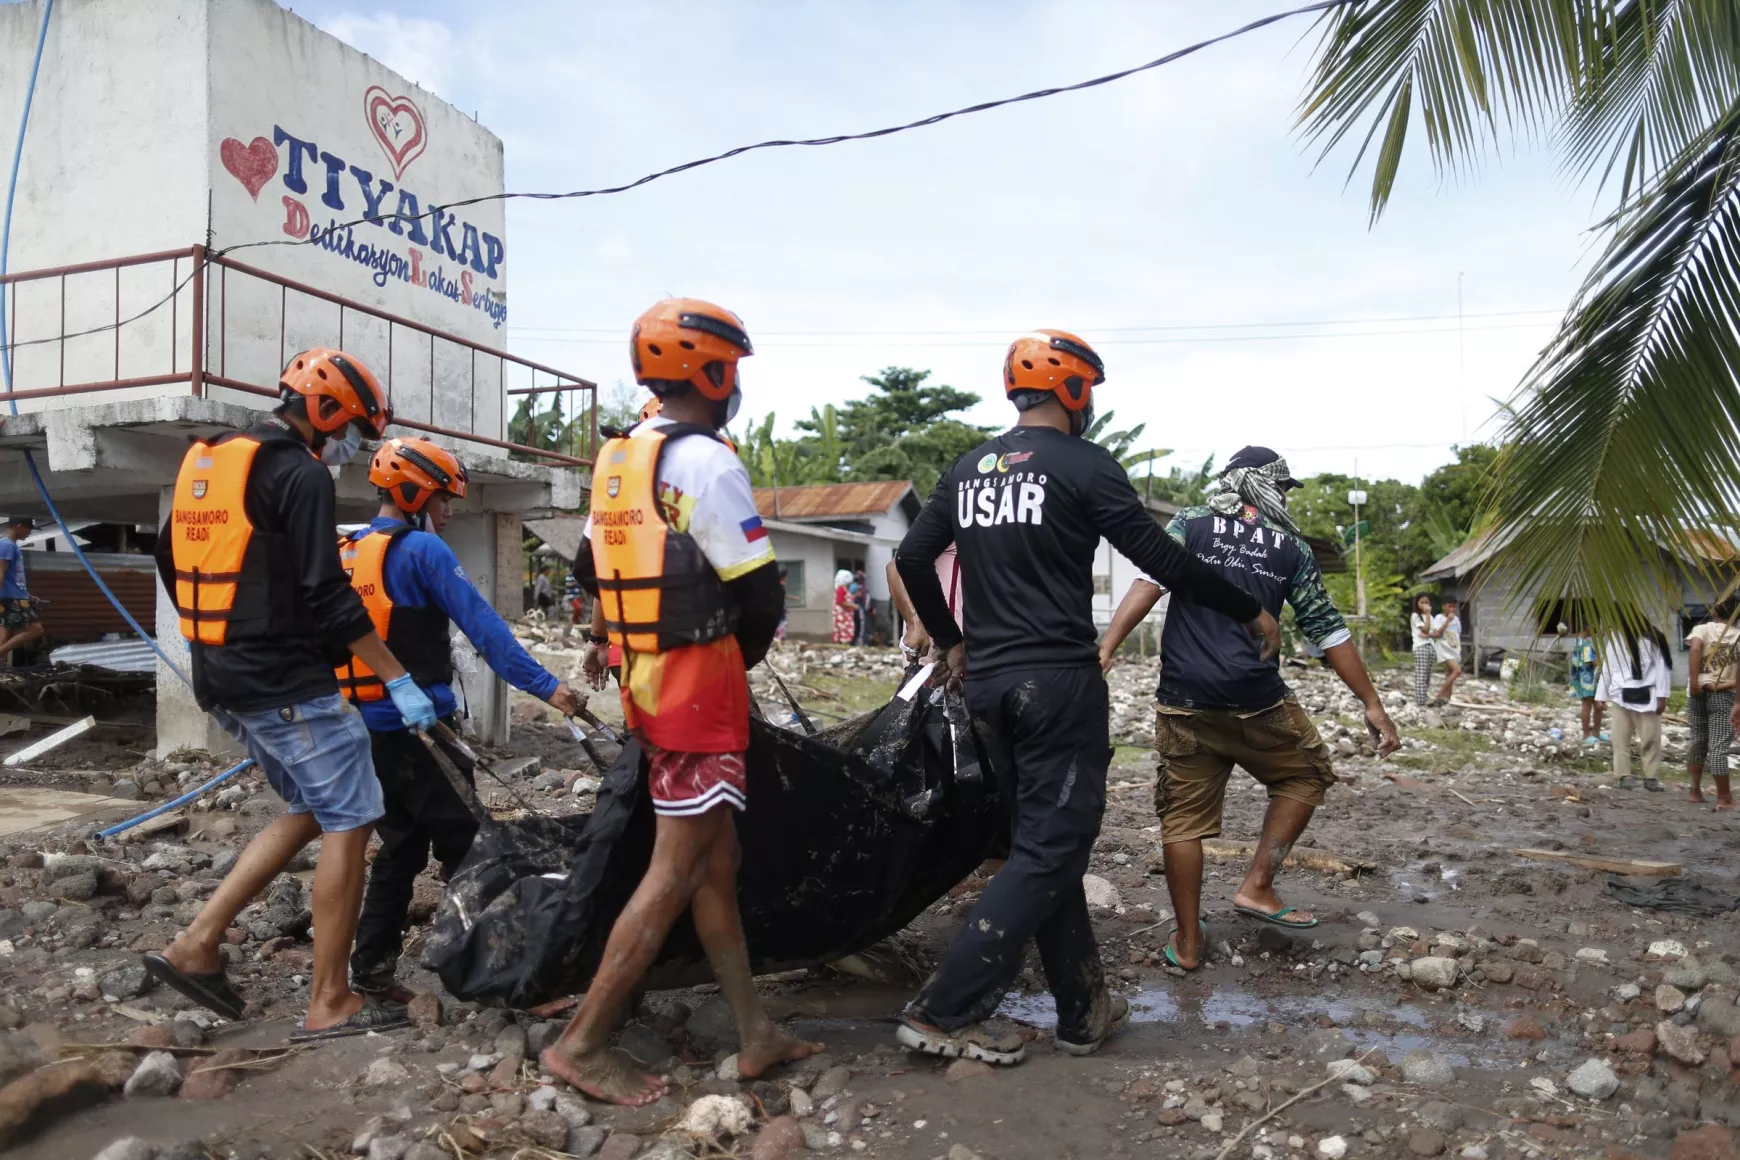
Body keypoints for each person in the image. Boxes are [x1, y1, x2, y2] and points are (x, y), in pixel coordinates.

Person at [893, 329, 1280, 1065]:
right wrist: (1248, 608)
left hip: (990, 688)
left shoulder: (970, 466)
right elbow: (1161, 556)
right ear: (1073, 390)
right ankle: (945, 1011)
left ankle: (1083, 1009)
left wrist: (952, 640)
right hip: (1057, 686)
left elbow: (912, 556)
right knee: (1049, 847)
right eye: (1089, 391)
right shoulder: (1084, 464)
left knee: (1044, 841)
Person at [542, 298, 820, 1105]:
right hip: (698, 695)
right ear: (715, 371)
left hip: (647, 688)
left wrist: (612, 640)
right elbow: (759, 594)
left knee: (714, 865)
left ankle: (754, 1032)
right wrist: (742, 661)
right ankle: (584, 1041)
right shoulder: (706, 462)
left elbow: (595, 572)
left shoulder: (621, 458)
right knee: (674, 870)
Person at [144, 348, 438, 1041]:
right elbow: (328, 595)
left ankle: (196, 945)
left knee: (314, 805)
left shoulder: (210, 461)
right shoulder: (300, 475)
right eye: (351, 431)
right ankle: (330, 999)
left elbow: (168, 556)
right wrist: (395, 676)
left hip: (220, 674)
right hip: (281, 682)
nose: (348, 449)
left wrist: (214, 633)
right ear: (326, 410)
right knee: (354, 815)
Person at [1098, 447, 1400, 971]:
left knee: (1182, 822)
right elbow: (1328, 630)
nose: (1285, 498)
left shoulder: (1191, 524)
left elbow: (1148, 583)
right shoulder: (1290, 548)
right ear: (1266, 487)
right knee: (1305, 775)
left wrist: (1107, 647)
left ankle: (1189, 943)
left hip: (1182, 699)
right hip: (1255, 699)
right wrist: (1371, 704)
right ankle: (1258, 885)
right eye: (1283, 488)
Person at [340, 437, 582, 1000]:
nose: (448, 512)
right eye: (443, 499)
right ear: (413, 494)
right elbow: (487, 633)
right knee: (476, 850)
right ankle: (515, 976)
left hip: (373, 730)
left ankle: (371, 970)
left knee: (400, 849)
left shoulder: (350, 550)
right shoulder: (423, 553)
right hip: (425, 734)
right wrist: (549, 688)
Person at [1596, 623, 1672, 791]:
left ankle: (1651, 777)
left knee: (1650, 738)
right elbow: (1607, 667)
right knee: (1620, 739)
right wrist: (1601, 695)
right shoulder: (1615, 639)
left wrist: (1662, 696)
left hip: (1648, 694)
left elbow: (1662, 667)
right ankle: (1623, 775)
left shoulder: (1654, 638)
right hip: (1620, 694)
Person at [1685, 598, 1738, 808]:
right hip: (1722, 694)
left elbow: (1695, 648)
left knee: (1698, 741)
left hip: (1696, 692)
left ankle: (1695, 792)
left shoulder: (1702, 629)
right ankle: (1724, 798)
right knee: (1718, 747)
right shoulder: (1738, 636)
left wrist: (1695, 682)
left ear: (1715, 611)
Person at [886, 543, 963, 666]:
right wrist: (914, 623)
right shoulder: (951, 527)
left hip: (974, 650)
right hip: (938, 653)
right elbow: (896, 566)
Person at [0, 516, 43, 662]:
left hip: (15, 595)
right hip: (10, 598)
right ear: (19, 526)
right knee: (35, 629)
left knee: (5, 634)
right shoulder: (6, 545)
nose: (29, 533)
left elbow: (13, 577)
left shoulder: (10, 545)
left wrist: (26, 594)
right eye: (28, 529)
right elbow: (0, 572)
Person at [1568, 624, 1603, 742]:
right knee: (1588, 706)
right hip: (1588, 679)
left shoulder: (1578, 642)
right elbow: (1594, 662)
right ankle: (1588, 734)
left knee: (1597, 706)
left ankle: (1594, 733)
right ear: (1588, 627)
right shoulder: (1585, 645)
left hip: (1581, 677)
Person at [1432, 597, 1464, 706]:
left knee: (1450, 673)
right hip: (1444, 648)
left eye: (1454, 607)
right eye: (1450, 606)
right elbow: (1437, 633)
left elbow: (1457, 634)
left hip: (1454, 648)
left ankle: (1447, 699)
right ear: (1444, 606)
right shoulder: (1439, 618)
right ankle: (1439, 695)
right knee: (1457, 671)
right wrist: (1447, 621)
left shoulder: (1457, 620)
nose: (1452, 609)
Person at [1410, 595, 1436, 707]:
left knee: (1427, 674)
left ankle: (1424, 696)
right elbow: (1425, 630)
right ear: (1417, 604)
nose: (1425, 604)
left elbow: (1435, 633)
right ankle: (1420, 700)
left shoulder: (1430, 617)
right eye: (1422, 602)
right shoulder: (1416, 616)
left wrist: (1428, 634)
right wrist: (1428, 615)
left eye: (1427, 602)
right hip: (1420, 646)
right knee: (1421, 673)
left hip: (1430, 646)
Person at [831, 568, 855, 644]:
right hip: (842, 615)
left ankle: (844, 643)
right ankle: (843, 643)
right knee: (844, 629)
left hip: (845, 614)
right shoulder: (841, 589)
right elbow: (840, 601)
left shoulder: (843, 588)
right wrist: (853, 606)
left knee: (844, 630)